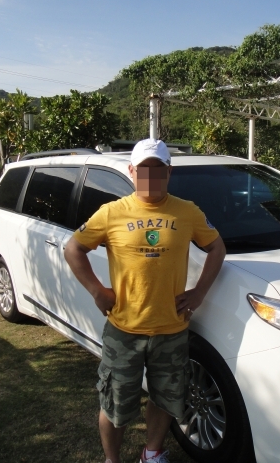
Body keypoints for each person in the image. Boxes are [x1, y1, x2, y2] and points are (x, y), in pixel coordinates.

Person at [64, 138, 226, 463]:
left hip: (171, 330)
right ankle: (112, 459)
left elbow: (217, 248)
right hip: (124, 330)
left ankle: (151, 453)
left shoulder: (187, 211)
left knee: (165, 398)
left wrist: (199, 292)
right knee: (115, 403)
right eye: (143, 169)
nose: (150, 176)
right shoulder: (111, 212)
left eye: (157, 169)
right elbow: (74, 248)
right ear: (131, 171)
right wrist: (97, 290)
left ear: (168, 172)